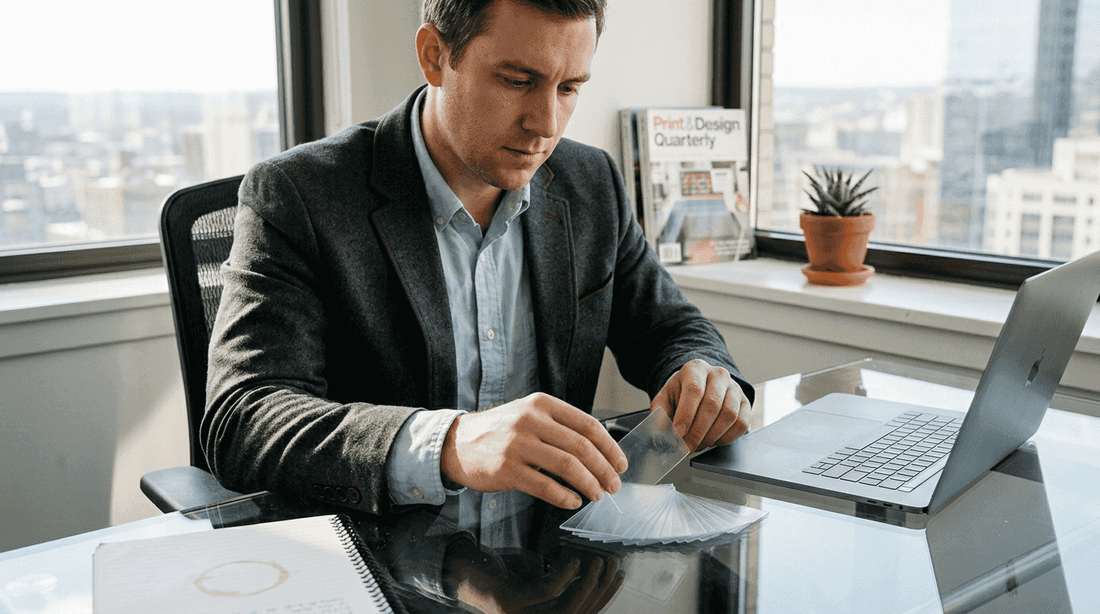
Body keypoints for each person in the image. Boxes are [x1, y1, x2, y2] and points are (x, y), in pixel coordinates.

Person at [204, 0, 754, 518]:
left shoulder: (592, 185)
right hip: (381, 557)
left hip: (550, 562)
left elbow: (670, 326)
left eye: (569, 88)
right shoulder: (300, 194)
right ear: (435, 56)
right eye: (518, 81)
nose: (546, 123)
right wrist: (449, 443)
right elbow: (244, 418)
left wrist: (703, 372)